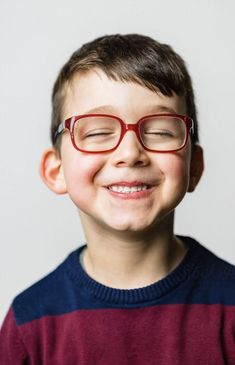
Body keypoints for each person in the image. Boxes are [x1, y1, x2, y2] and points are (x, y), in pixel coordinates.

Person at [0, 33, 234, 364]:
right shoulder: (30, 322)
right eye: (96, 132)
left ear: (194, 166)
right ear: (57, 170)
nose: (130, 153)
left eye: (160, 131)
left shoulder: (230, 306)